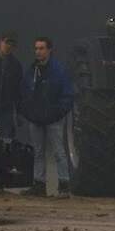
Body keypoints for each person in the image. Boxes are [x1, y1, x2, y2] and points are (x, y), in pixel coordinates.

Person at [20, 37, 73, 198]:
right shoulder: (32, 70)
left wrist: (58, 113)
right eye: (36, 48)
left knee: (58, 152)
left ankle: (64, 186)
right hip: (36, 118)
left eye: (41, 48)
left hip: (53, 118)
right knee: (38, 152)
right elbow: (24, 93)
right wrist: (28, 112)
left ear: (49, 50)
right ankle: (39, 185)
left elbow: (67, 94)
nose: (38, 52)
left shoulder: (59, 70)